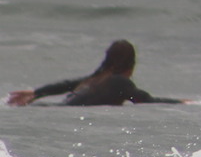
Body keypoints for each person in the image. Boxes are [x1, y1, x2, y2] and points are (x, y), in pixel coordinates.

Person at [7, 39, 188, 106]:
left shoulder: (96, 79)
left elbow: (66, 85)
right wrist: (181, 102)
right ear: (132, 65)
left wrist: (36, 93)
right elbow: (144, 100)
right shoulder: (119, 82)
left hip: (54, 109)